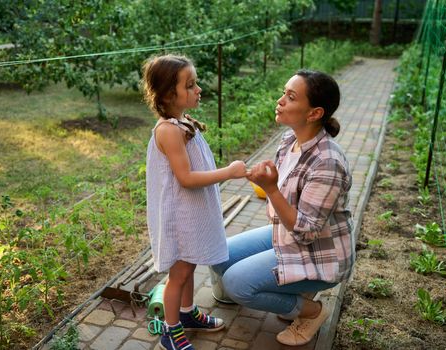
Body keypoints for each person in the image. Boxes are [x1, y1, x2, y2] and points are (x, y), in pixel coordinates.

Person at [211, 69, 354, 346]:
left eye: (290, 97)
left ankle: (312, 312)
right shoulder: (290, 140)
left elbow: (307, 233)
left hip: (321, 254)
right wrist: (268, 178)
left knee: (237, 284)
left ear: (314, 113)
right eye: (283, 93)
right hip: (285, 235)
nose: (280, 101)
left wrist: (271, 189)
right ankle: (294, 297)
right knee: (218, 256)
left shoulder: (327, 162)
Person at [142, 54, 247, 350]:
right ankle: (170, 331)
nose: (198, 89)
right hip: (180, 215)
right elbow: (186, 178)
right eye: (190, 85)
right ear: (167, 94)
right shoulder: (168, 130)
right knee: (179, 274)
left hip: (192, 211)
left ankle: (186, 314)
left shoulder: (182, 121)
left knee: (189, 268)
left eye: (195, 83)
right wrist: (229, 172)